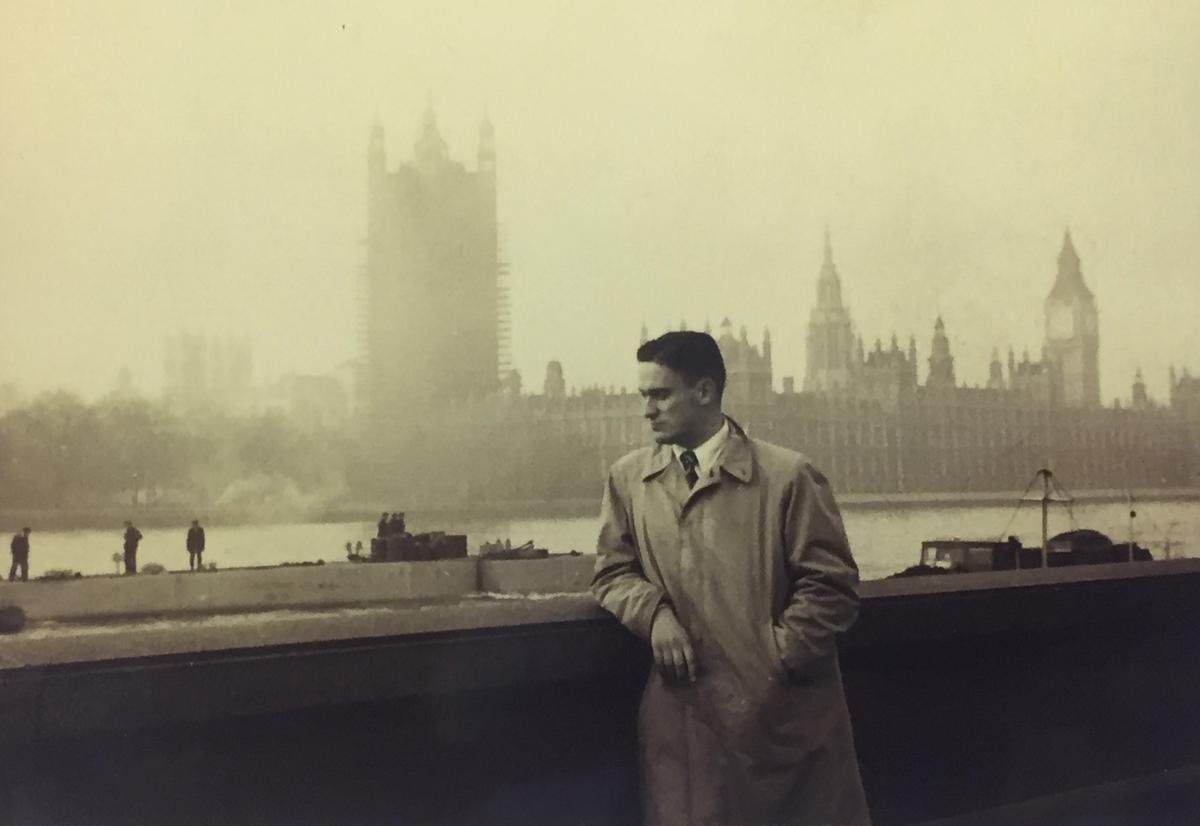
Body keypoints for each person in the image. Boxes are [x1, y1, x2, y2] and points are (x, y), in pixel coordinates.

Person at [591, 331, 870, 826]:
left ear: (704, 392)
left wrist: (773, 660)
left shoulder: (789, 476)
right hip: (681, 722)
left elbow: (832, 589)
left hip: (779, 722)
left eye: (660, 395)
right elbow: (613, 572)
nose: (647, 411)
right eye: (643, 397)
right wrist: (654, 616)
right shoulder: (628, 480)